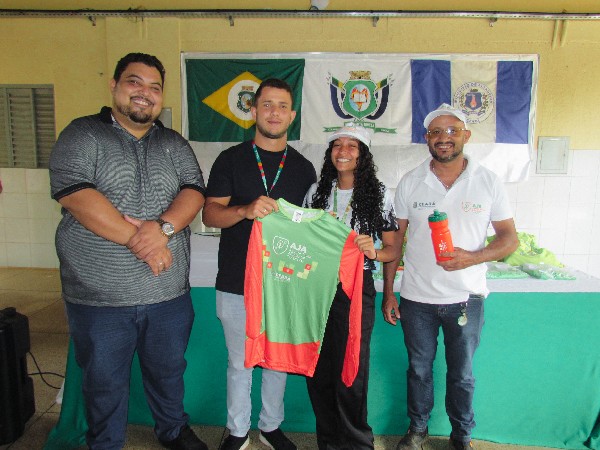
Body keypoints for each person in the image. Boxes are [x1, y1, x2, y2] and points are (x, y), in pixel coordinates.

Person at [49, 53, 207, 450]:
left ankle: (172, 430)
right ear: (115, 86)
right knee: (103, 382)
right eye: (135, 82)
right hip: (99, 298)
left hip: (168, 296)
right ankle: (105, 443)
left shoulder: (173, 143)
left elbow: (194, 191)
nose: (145, 93)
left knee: (168, 373)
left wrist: (163, 229)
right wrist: (144, 243)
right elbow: (76, 195)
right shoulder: (82, 134)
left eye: (155, 87)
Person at [382, 104, 519, 450]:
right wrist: (389, 292)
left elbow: (509, 239)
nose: (444, 138)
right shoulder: (411, 182)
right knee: (418, 370)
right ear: (426, 138)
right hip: (417, 298)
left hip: (466, 298)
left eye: (452, 131)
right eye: (436, 132)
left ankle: (461, 436)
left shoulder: (487, 181)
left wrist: (473, 257)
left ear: (465, 136)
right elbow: (395, 241)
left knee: (462, 374)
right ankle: (418, 430)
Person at [202, 78, 317, 450]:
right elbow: (209, 214)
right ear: (253, 111)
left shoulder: (304, 168)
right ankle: (237, 432)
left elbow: (311, 229)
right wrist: (244, 210)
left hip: (284, 283)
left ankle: (270, 427)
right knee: (240, 362)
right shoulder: (230, 159)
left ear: (292, 115)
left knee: (277, 361)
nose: (274, 113)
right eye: (267, 104)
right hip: (237, 280)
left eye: (282, 106)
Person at [303, 124, 400, 450]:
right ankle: (329, 443)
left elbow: (393, 249)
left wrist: (373, 252)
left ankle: (358, 444)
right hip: (317, 290)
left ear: (363, 155)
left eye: (352, 146)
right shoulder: (316, 192)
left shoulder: (379, 194)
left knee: (351, 371)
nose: (342, 151)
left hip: (355, 290)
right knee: (318, 371)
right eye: (336, 145)